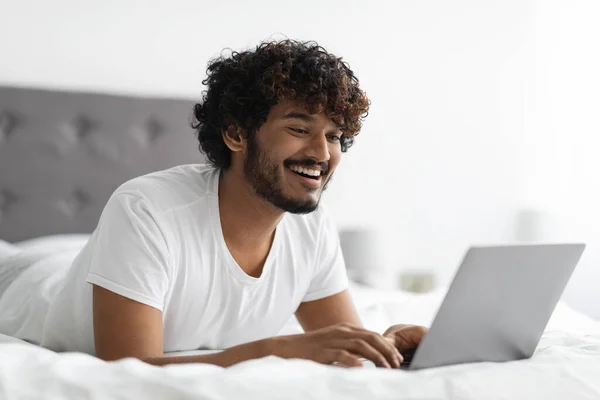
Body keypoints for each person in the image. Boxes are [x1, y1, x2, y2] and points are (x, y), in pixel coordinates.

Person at [41, 39, 427, 368]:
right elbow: (129, 371)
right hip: (31, 286)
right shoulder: (147, 209)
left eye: (334, 135)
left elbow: (341, 346)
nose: (321, 153)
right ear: (235, 134)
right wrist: (274, 351)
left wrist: (386, 347)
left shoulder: (311, 226)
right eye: (299, 129)